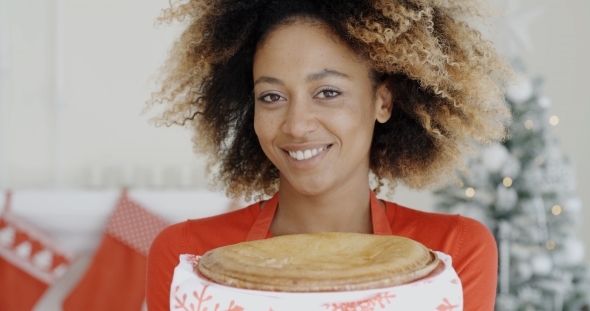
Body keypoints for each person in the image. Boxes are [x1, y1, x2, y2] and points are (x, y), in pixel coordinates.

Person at [146, 0, 512, 310]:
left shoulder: (456, 250)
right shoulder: (186, 254)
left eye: (328, 92)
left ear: (382, 101)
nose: (297, 125)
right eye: (272, 97)